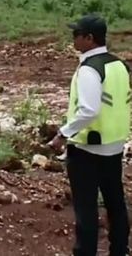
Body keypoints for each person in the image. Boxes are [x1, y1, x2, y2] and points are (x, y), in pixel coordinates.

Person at [49, 15, 130, 256]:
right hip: (114, 146)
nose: (73, 39)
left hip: (87, 150)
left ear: (89, 39)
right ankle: (119, 250)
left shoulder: (89, 70)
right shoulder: (119, 65)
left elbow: (89, 110)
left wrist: (62, 134)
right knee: (116, 203)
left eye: (77, 35)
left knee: (86, 210)